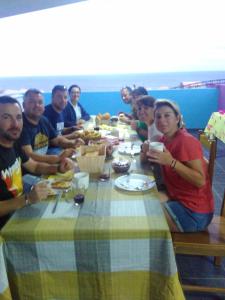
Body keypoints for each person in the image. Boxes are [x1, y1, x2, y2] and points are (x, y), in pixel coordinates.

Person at [0, 96, 74, 229]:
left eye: (18, 117)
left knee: (69, 206)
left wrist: (58, 168)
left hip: (21, 206)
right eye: (6, 117)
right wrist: (27, 199)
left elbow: (34, 166)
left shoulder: (13, 143)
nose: (15, 124)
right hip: (7, 225)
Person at [146, 99, 214, 232]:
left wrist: (171, 162)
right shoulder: (164, 140)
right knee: (142, 202)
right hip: (177, 197)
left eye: (167, 115)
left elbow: (200, 181)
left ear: (177, 118)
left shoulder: (186, 141)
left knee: (144, 217)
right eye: (158, 116)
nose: (161, 120)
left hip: (194, 212)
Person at [19, 89, 83, 163]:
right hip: (31, 170)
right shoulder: (20, 125)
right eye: (32, 102)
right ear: (23, 105)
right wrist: (58, 158)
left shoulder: (43, 120)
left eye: (40, 102)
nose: (37, 105)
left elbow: (57, 139)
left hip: (44, 162)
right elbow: (29, 155)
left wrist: (72, 143)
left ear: (44, 105)